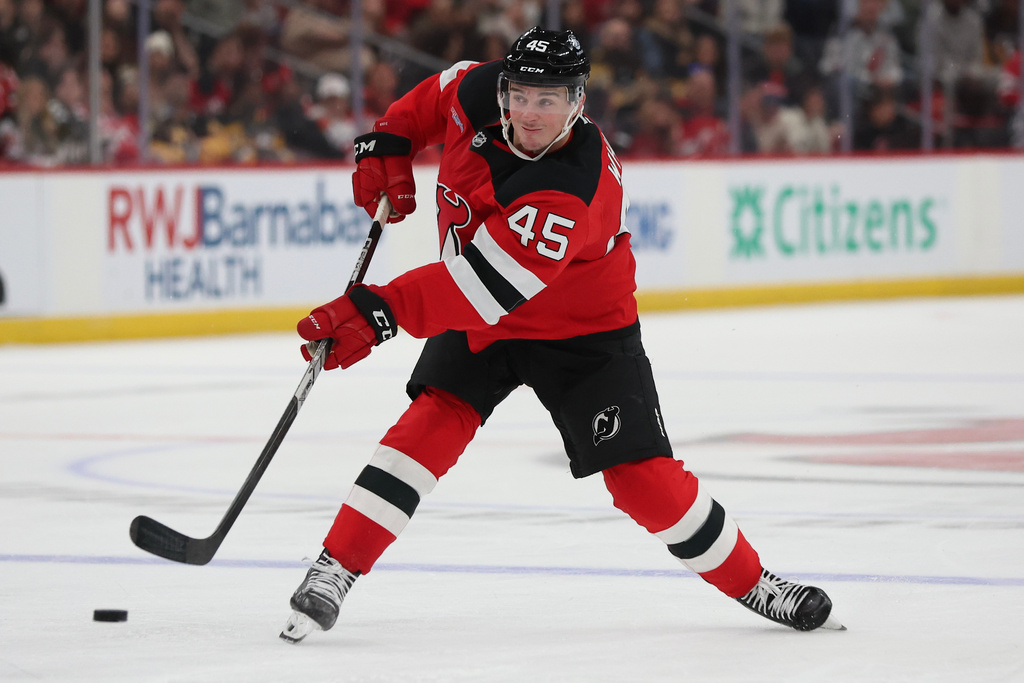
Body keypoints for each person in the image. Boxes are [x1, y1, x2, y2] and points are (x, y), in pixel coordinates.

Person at [279, 26, 844, 644]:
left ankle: (755, 582)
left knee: (641, 481)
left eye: (547, 100)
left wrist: (378, 310)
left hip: (582, 331)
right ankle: (336, 566)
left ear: (578, 103)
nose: (528, 112)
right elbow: (432, 97)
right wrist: (389, 138)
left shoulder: (572, 185)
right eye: (519, 94)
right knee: (428, 425)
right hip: (482, 313)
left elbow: (483, 288)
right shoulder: (476, 92)